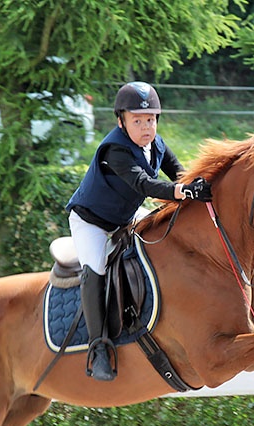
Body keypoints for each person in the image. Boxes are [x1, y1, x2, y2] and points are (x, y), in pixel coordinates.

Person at [66, 81, 211, 381]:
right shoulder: (115, 149)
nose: (146, 126)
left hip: (125, 217)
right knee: (95, 271)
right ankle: (99, 349)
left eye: (150, 119)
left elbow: (179, 173)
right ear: (121, 121)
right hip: (92, 222)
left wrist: (200, 188)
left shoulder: (155, 144)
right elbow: (144, 184)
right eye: (137, 120)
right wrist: (183, 191)